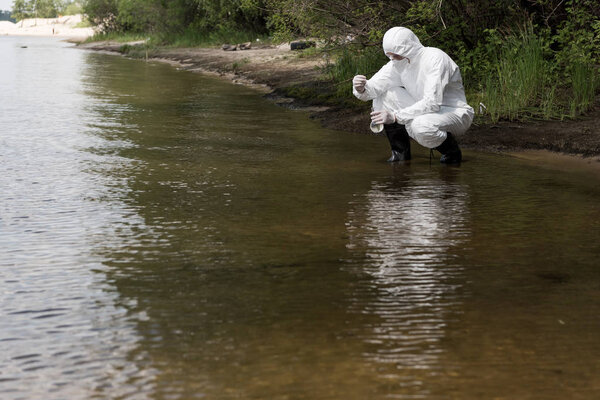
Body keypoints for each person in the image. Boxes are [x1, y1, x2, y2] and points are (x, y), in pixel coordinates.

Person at [353, 27, 474, 164]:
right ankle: (400, 154)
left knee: (420, 125)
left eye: (395, 54)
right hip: (425, 110)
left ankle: (451, 152)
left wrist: (395, 116)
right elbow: (374, 88)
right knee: (385, 94)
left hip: (454, 113)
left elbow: (432, 103)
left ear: (407, 48)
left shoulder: (435, 58)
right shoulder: (399, 63)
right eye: (389, 55)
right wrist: (361, 88)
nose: (392, 59)